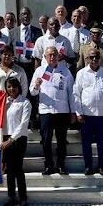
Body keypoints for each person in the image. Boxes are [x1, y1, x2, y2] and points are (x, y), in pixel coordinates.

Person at [30, 46, 77, 175]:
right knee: (46, 139)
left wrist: (73, 111)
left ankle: (61, 165)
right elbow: (32, 92)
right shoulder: (39, 71)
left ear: (58, 57)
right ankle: (49, 165)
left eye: (54, 55)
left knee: (61, 140)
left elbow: (72, 93)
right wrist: (36, 86)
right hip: (46, 111)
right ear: (45, 57)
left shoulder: (65, 71)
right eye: (49, 55)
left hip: (62, 111)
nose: (52, 57)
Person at [74, 48, 103, 175]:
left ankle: (101, 166)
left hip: (102, 114)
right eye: (91, 57)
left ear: (100, 59)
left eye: (96, 57)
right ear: (87, 58)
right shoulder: (81, 73)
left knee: (102, 143)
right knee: (86, 143)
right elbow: (76, 94)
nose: (94, 60)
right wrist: (78, 113)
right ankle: (88, 166)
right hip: (87, 114)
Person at [0, 77, 31, 206]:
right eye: (9, 87)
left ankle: (23, 199)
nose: (12, 89)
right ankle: (11, 197)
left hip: (18, 139)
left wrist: (11, 140)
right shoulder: (3, 102)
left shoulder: (25, 102)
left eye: (14, 86)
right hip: (6, 138)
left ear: (19, 87)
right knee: (9, 170)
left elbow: (23, 124)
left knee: (18, 169)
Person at [10, 6, 42, 80]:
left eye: (28, 14)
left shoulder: (37, 31)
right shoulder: (13, 32)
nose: (26, 16)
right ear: (19, 17)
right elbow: (9, 47)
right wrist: (12, 57)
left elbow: (40, 48)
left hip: (32, 65)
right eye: (23, 14)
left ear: (31, 16)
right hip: (18, 64)